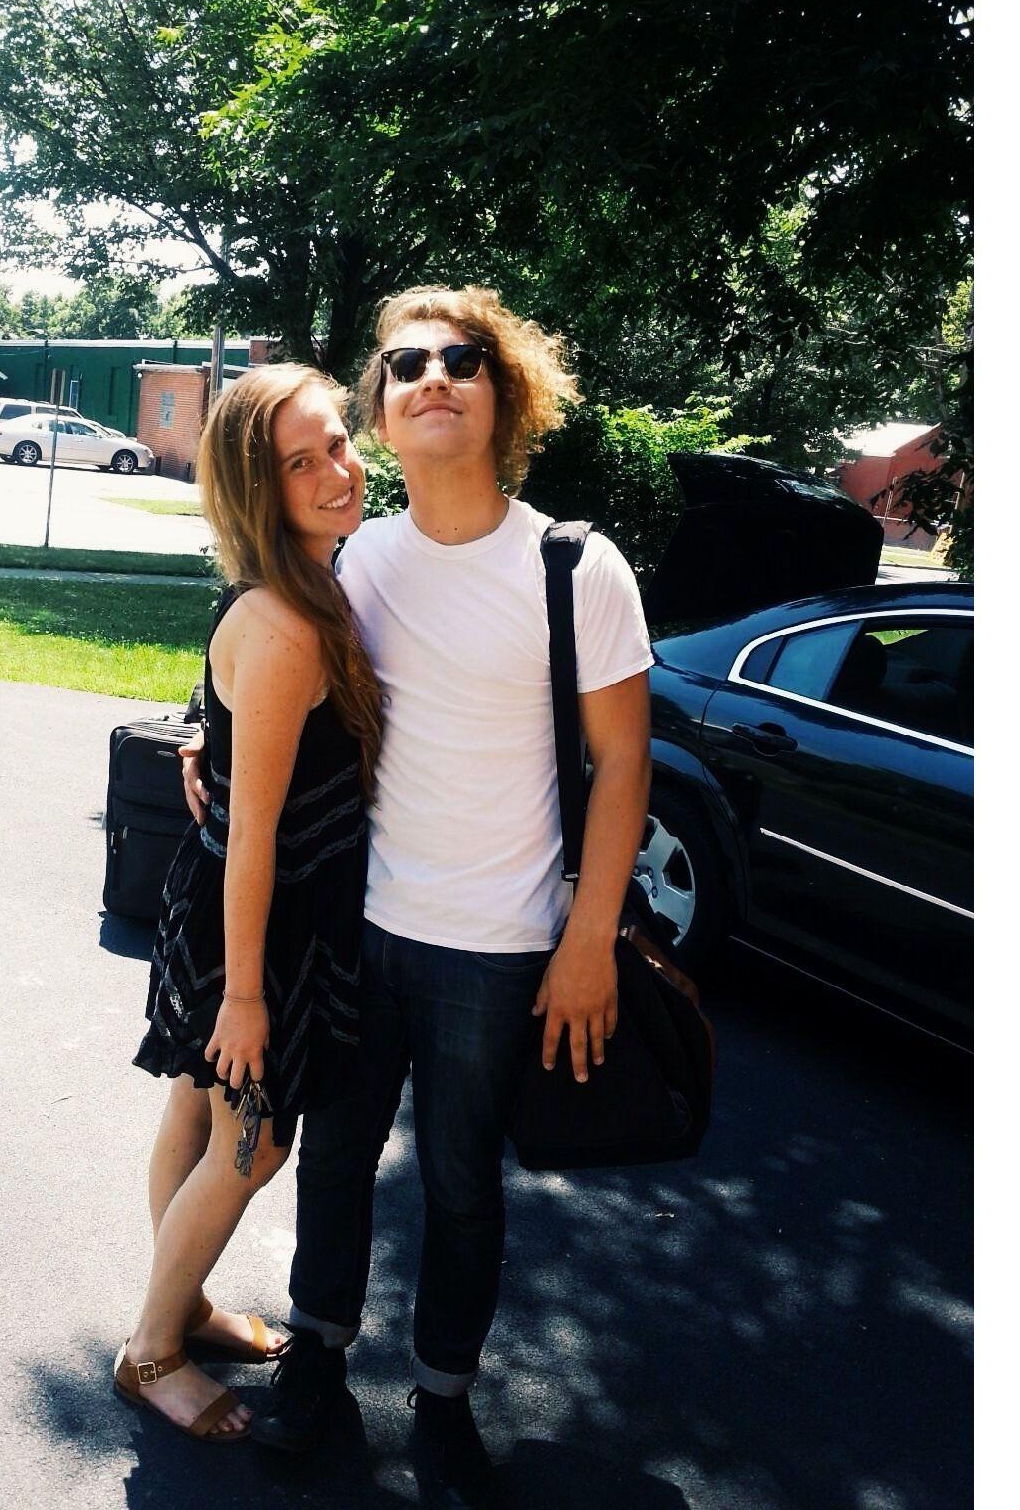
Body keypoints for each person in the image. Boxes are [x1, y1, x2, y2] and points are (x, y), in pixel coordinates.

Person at [184, 285, 653, 1504]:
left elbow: (622, 766)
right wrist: (201, 734)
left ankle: (443, 1399)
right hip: (358, 927)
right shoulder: (358, 562)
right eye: (404, 365)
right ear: (382, 413)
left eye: (462, 358)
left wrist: (588, 939)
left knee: (459, 1184)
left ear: (507, 394)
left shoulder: (575, 567)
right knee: (335, 1162)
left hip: (501, 947)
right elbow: (262, 657)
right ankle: (318, 1359)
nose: (433, 375)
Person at [116, 363, 382, 1442]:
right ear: (257, 489)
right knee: (253, 1141)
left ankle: (182, 1306)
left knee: (198, 1110)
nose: (336, 472)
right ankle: (151, 1351)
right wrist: (243, 996)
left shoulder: (309, 583)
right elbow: (257, 834)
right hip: (259, 925)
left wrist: (205, 739)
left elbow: (238, 746)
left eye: (337, 444)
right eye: (299, 463)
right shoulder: (283, 623)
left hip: (254, 902)